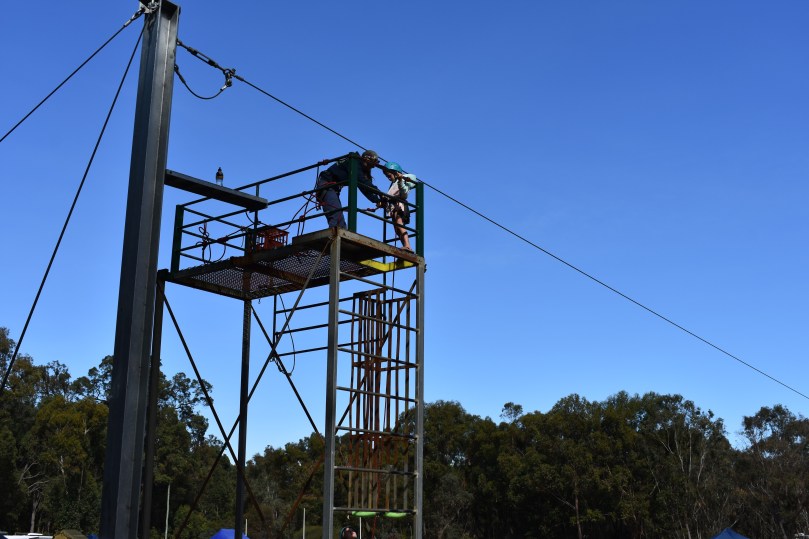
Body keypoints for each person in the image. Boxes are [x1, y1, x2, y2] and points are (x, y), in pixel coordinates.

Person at [316, 150, 384, 228]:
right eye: (371, 165)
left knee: (340, 221)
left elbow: (364, 187)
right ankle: (332, 237)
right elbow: (363, 181)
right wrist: (379, 193)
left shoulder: (357, 166)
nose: (372, 167)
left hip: (332, 188)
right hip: (326, 185)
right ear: (367, 159)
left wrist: (377, 200)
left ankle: (338, 237)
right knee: (336, 215)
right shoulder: (354, 162)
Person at [381, 161, 418, 252]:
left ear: (395, 172)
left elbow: (404, 194)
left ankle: (407, 245)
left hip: (399, 206)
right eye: (387, 176)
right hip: (393, 207)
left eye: (389, 175)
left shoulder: (403, 180)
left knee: (399, 225)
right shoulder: (393, 184)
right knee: (397, 229)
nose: (388, 178)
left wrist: (401, 180)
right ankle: (405, 246)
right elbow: (390, 196)